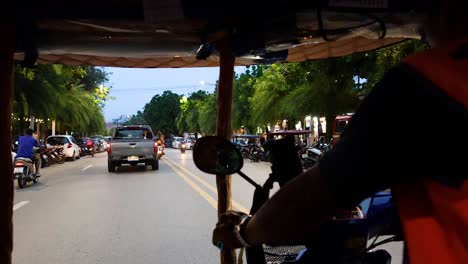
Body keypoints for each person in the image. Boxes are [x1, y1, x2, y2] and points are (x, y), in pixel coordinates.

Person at [212, 1, 468, 263]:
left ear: (444, 12)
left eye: (421, 23)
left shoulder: (427, 81)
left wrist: (243, 231)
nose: (423, 35)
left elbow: (314, 196)